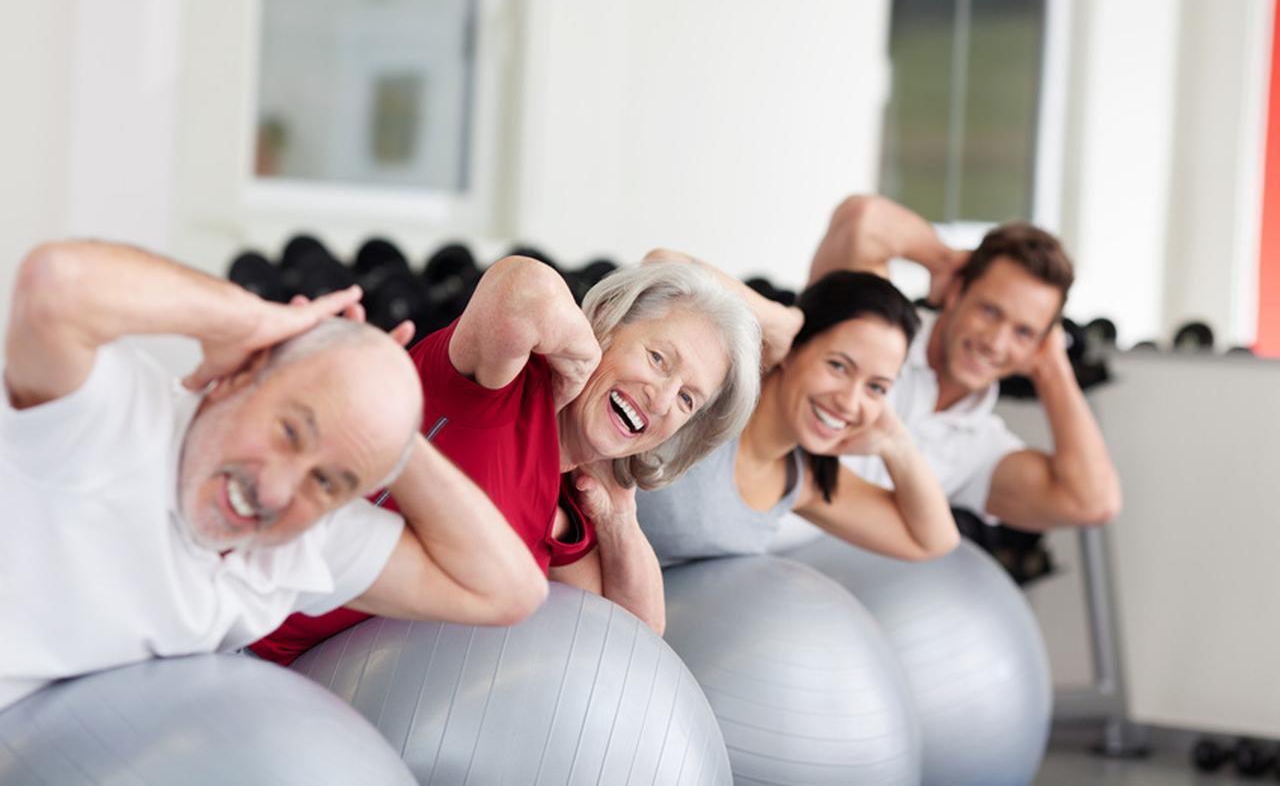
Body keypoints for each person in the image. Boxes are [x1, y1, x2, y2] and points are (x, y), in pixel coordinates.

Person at [1, 240, 547, 711]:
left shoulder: (306, 539)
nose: (277, 490)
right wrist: (251, 319)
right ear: (243, 376)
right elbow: (53, 286)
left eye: (330, 482)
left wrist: (391, 432)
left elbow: (508, 591)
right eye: (290, 431)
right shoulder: (116, 422)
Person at [252, 256, 761, 662]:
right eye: (657, 358)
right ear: (608, 326)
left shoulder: (568, 512)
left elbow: (634, 640)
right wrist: (580, 361)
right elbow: (522, 289)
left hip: (298, 674)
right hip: (237, 594)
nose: (662, 396)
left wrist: (619, 515)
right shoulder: (501, 384)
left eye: (687, 400)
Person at [805, 194, 1122, 530]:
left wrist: (1053, 368)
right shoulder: (871, 327)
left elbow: (1092, 503)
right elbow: (862, 219)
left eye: (1024, 332)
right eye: (990, 311)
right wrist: (943, 261)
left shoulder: (978, 447)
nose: (996, 343)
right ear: (956, 292)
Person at [634, 261, 959, 566]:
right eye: (838, 366)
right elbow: (660, 264)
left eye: (876, 387)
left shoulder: (804, 481)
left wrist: (896, 442)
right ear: (793, 348)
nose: (849, 402)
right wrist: (783, 321)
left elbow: (933, 541)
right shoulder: (711, 389)